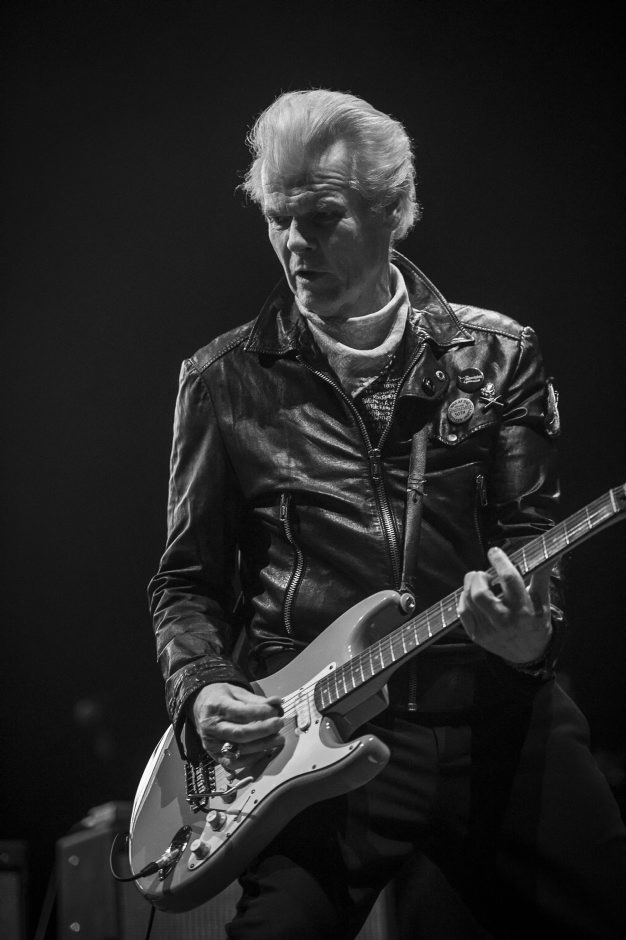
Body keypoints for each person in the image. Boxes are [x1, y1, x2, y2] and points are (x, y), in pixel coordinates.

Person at [148, 90, 625, 939]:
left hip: (498, 720)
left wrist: (531, 638)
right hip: (313, 739)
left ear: (392, 211)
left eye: (322, 217)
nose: (295, 244)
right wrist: (203, 685)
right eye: (278, 219)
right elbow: (186, 583)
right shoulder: (222, 381)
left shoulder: (497, 354)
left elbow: (531, 540)